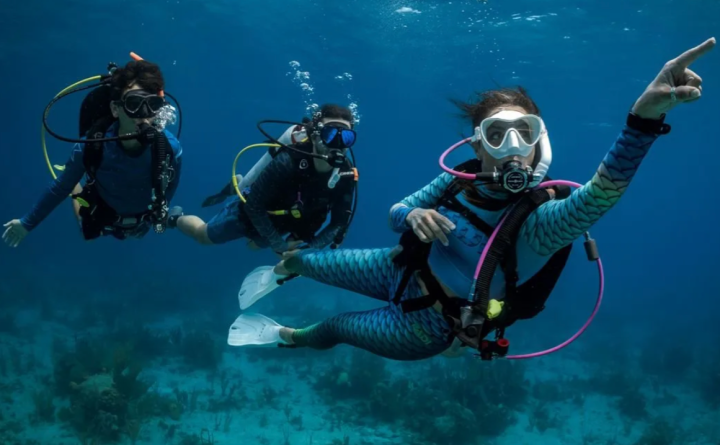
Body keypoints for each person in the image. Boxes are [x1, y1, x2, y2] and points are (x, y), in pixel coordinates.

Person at [227, 38, 715, 361]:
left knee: (333, 327)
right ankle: (283, 271)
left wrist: (642, 121)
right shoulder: (456, 181)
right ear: (477, 144)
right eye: (496, 135)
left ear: (540, 143)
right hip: (395, 268)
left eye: (525, 133)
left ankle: (284, 336)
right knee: (306, 260)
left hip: (425, 329)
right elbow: (397, 212)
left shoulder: (544, 222)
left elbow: (601, 194)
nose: (512, 147)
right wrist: (414, 214)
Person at [2, 59, 183, 246]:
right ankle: (74, 179)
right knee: (84, 229)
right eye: (134, 103)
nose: (143, 114)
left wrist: (154, 215)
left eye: (152, 104)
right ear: (115, 108)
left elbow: (169, 186)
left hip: (141, 217)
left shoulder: (170, 148)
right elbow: (59, 189)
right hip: (103, 209)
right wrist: (26, 224)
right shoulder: (90, 145)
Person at [171, 104, 358, 256]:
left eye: (346, 137)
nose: (337, 145)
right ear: (316, 134)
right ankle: (174, 218)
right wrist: (279, 245)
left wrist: (309, 250)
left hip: (293, 218)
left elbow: (339, 223)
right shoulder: (288, 161)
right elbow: (253, 206)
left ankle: (263, 240)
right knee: (203, 236)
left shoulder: (346, 174)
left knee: (256, 246)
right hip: (254, 212)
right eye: (330, 135)